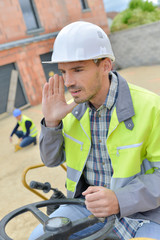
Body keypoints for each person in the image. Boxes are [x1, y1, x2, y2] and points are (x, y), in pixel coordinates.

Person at [29, 21, 160, 239]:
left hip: (143, 212)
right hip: (84, 207)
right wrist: (51, 123)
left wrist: (120, 199)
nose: (68, 82)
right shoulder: (70, 111)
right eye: (63, 71)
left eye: (78, 69)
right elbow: (51, 160)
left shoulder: (151, 107)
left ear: (106, 65)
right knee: (39, 237)